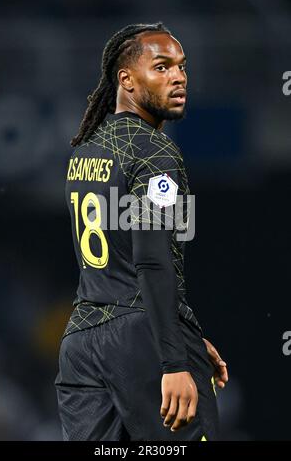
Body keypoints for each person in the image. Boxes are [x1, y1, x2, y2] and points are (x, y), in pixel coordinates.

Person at [55, 22, 228, 441]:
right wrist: (173, 357)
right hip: (141, 341)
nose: (179, 77)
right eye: (162, 67)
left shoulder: (87, 148)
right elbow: (151, 260)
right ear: (127, 80)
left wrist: (179, 332)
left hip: (81, 344)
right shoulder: (155, 151)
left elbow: (113, 263)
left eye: (182, 67)